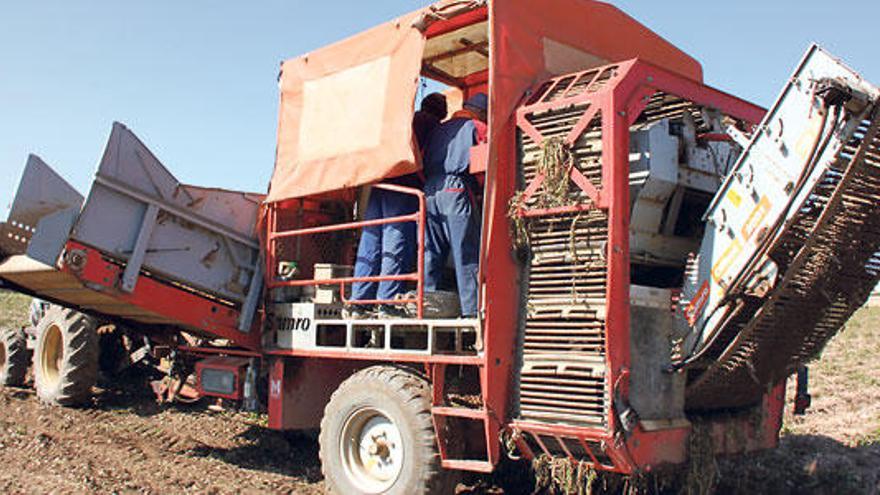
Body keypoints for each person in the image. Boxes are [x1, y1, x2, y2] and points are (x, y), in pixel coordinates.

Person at [347, 93, 448, 318]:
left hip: (381, 183)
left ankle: (359, 302)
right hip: (405, 185)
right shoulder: (432, 125)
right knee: (396, 240)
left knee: (371, 241)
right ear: (442, 112)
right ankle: (387, 302)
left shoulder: (406, 119)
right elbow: (432, 158)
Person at [421, 93, 488, 318]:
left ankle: (427, 306)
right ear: (481, 112)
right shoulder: (476, 126)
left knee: (431, 252)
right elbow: (485, 163)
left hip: (429, 192)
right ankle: (471, 311)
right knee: (465, 250)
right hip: (456, 188)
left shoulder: (437, 129)